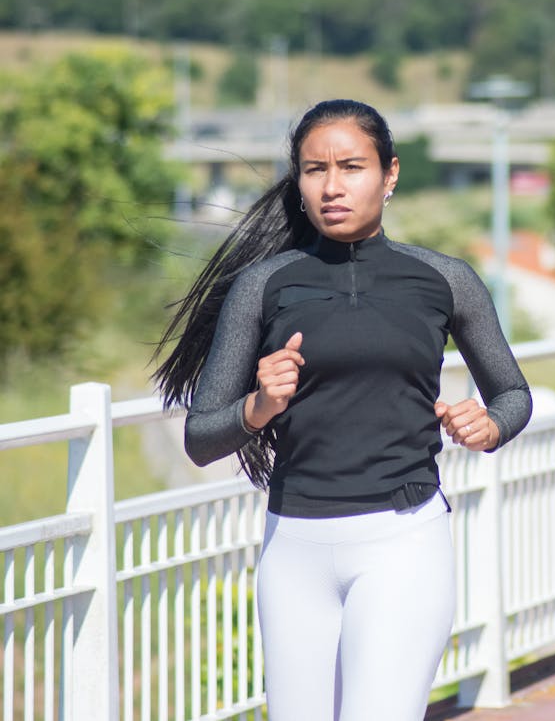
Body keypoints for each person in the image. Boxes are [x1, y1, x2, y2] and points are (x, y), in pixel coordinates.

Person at [154, 99, 532, 720]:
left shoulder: (445, 279)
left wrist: (488, 426)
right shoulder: (263, 285)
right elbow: (201, 437)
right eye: (313, 169)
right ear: (298, 181)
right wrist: (258, 405)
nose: (332, 186)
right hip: (293, 549)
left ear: (389, 174)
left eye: (351, 166)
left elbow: (513, 394)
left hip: (403, 540)